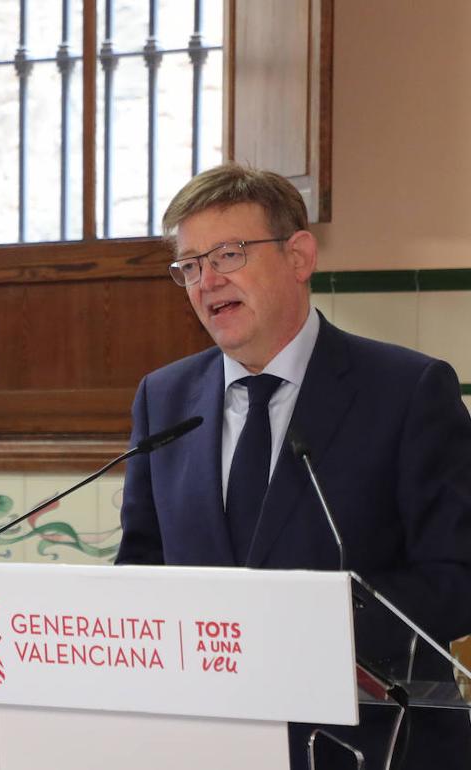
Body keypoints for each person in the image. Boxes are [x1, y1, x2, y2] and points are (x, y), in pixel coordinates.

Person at [116, 163, 471, 769]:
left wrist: (302, 624)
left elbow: (457, 577)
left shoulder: (408, 390)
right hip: (206, 742)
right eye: (190, 266)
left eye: (227, 254)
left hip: (369, 744)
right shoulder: (163, 397)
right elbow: (142, 564)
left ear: (299, 256)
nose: (206, 281)